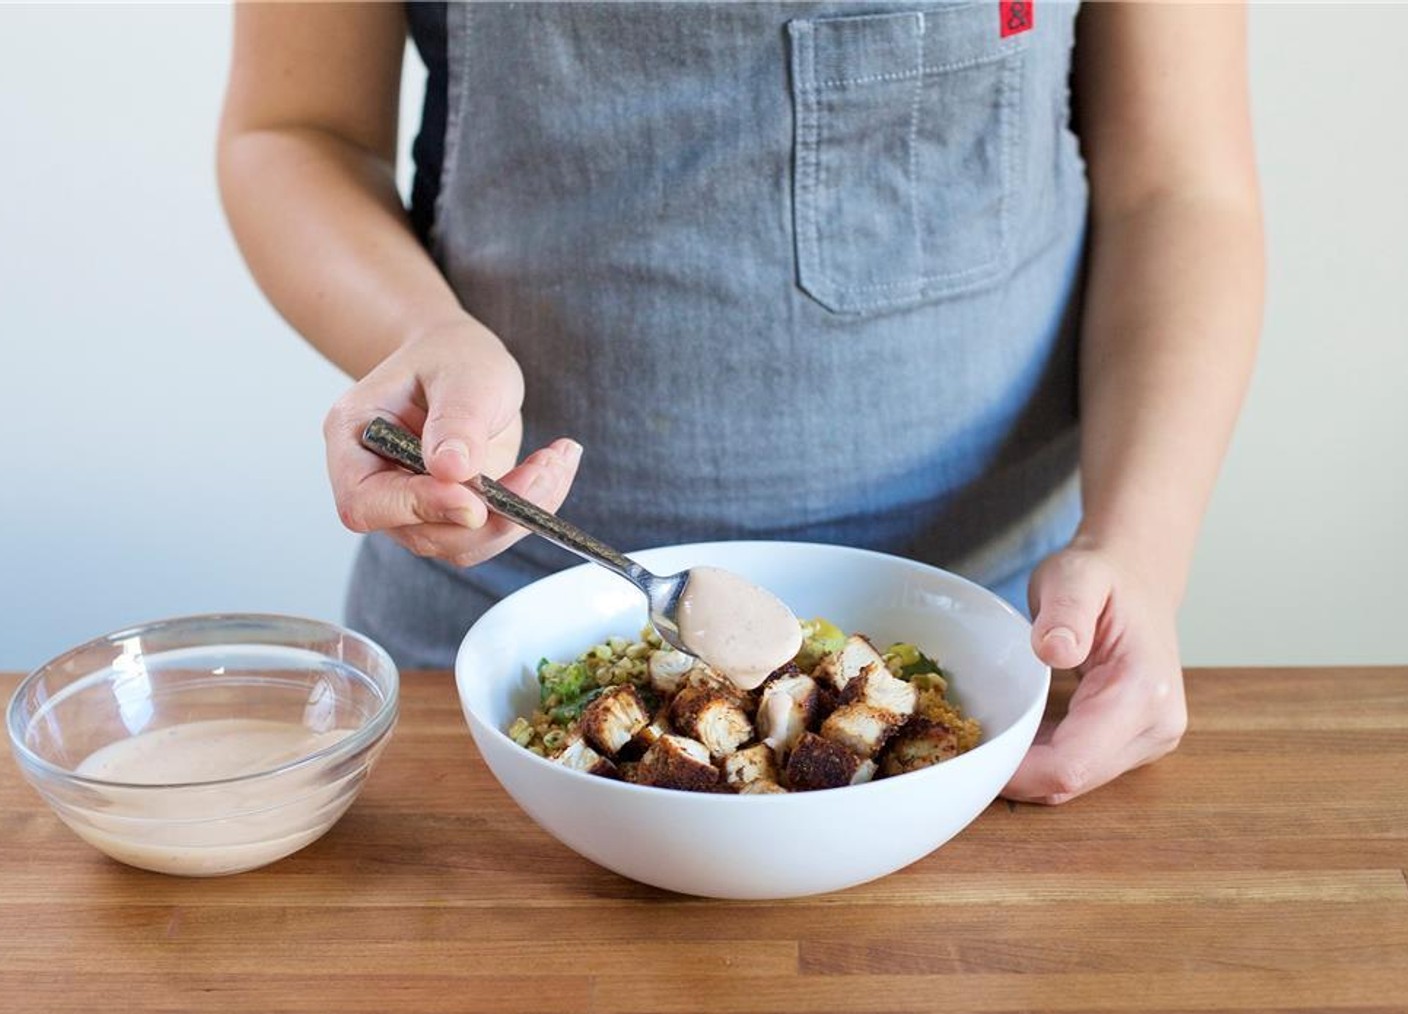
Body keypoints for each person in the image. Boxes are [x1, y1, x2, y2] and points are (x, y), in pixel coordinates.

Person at [217, 1, 1263, 804]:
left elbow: (1178, 185)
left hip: (998, 653)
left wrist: (1139, 548)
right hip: (493, 638)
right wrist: (419, 336)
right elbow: (293, 129)